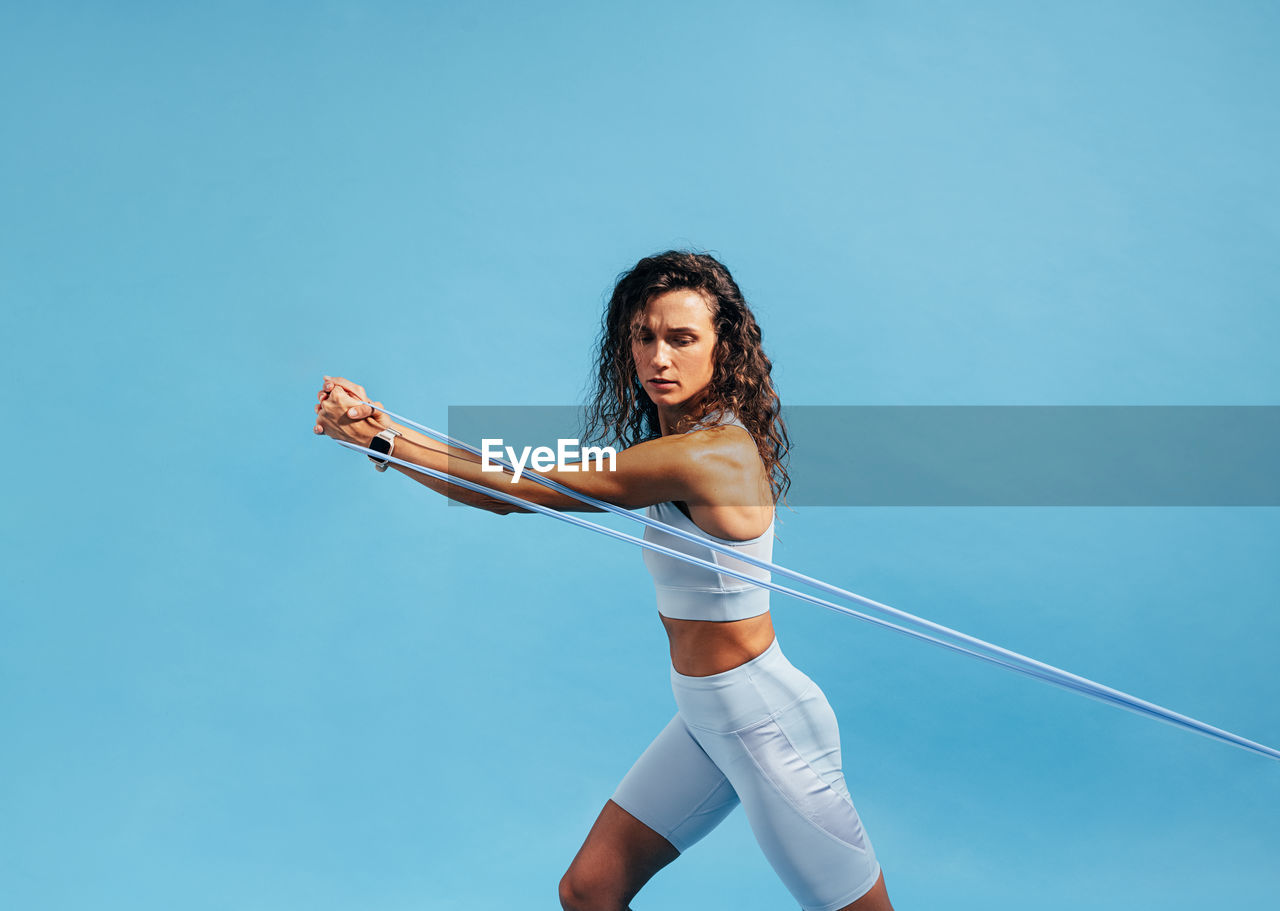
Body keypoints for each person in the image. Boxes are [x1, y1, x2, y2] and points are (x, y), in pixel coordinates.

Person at [312, 251, 893, 911]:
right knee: (590, 890)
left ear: (722, 346)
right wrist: (381, 431)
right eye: (644, 337)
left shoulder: (706, 455)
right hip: (708, 717)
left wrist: (380, 442)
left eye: (682, 338)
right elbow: (511, 470)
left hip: (765, 723)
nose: (659, 358)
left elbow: (518, 489)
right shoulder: (675, 443)